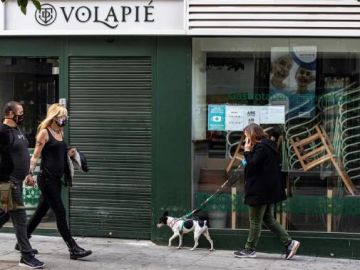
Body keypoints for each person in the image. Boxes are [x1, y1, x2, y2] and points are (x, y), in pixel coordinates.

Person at [21, 103, 92, 260]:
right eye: (61, 116)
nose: (64, 119)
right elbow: (35, 156)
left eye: (65, 116)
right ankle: (73, 248)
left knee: (40, 211)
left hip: (56, 179)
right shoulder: (44, 133)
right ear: (54, 117)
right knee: (60, 211)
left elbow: (58, 152)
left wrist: (70, 152)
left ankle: (22, 241)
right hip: (46, 180)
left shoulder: (60, 132)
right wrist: (29, 174)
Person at [233, 123, 300, 259]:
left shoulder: (261, 148)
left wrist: (246, 151)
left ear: (252, 135)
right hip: (267, 189)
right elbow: (257, 165)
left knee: (255, 220)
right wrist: (250, 152)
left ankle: (249, 249)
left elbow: (252, 167)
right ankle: (289, 243)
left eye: (246, 136)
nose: (246, 140)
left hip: (259, 190)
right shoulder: (267, 146)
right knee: (268, 218)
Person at [0, 101, 45, 268]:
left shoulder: (16, 130)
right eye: (20, 112)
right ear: (10, 113)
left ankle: (26, 253)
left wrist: (29, 173)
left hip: (18, 181)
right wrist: (5, 179)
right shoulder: (3, 132)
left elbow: (22, 154)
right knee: (20, 218)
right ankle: (26, 255)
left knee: (5, 216)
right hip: (9, 182)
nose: (22, 115)